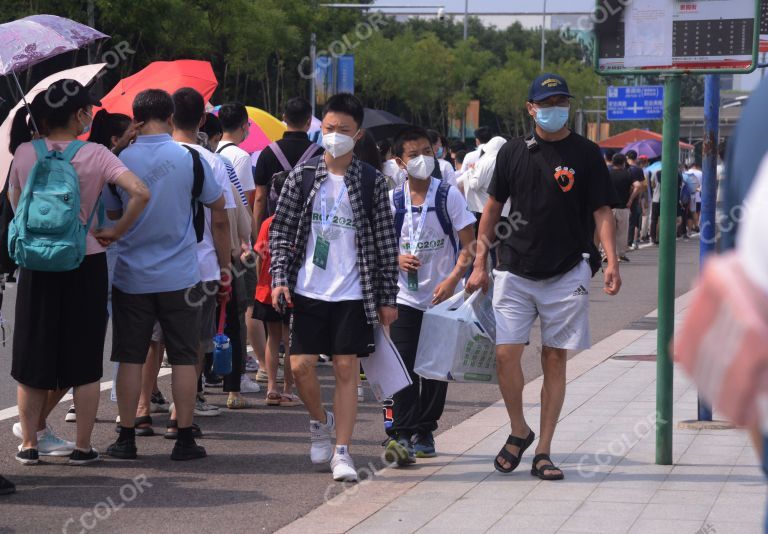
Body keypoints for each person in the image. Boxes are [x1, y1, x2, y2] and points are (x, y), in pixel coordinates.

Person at [466, 73, 621, 481]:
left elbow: (602, 211)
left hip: (566, 270)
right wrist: (479, 262)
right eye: (546, 101)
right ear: (531, 107)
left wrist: (611, 259)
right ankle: (519, 429)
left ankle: (544, 452)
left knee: (554, 358)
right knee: (506, 354)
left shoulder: (587, 154)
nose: (555, 108)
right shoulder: (514, 152)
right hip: (514, 269)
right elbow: (492, 209)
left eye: (561, 100)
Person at [9, 80, 149, 465]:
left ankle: (29, 446)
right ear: (77, 115)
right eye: (88, 108)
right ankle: (84, 447)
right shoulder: (97, 154)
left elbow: (18, 208)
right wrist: (116, 231)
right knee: (85, 359)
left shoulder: (23, 152)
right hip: (84, 260)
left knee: (32, 358)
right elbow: (140, 192)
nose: (92, 113)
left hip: (36, 263)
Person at [270, 93, 398, 482]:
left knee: (346, 368)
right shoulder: (303, 175)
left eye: (343, 130)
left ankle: (342, 451)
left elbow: (385, 240)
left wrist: (387, 297)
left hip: (354, 292)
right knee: (300, 366)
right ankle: (318, 420)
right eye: (328, 129)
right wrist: (278, 278)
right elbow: (282, 230)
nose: (335, 136)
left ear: (358, 135)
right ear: (319, 129)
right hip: (309, 288)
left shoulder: (372, 181)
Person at [105, 88, 225, 462]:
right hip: (181, 276)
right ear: (171, 117)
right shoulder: (190, 158)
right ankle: (184, 439)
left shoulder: (121, 160)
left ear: (137, 117)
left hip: (131, 277)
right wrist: (223, 267)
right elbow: (217, 209)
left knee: (131, 356)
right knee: (186, 357)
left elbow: (112, 214)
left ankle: (127, 437)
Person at [382, 127, 476, 465]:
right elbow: (377, 246)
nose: (423, 159)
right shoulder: (392, 200)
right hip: (403, 298)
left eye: (427, 151)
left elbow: (470, 246)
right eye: (413, 154)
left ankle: (426, 429)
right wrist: (396, 258)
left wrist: (453, 280)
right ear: (399, 162)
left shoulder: (448, 195)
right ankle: (401, 433)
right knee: (401, 366)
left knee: (435, 370)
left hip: (442, 297)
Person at [253, 97, 323, 381]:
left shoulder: (268, 154)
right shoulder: (320, 153)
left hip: (273, 234)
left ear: (283, 118)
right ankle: (292, 385)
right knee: (298, 324)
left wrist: (256, 234)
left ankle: (272, 384)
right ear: (309, 122)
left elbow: (259, 196)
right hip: (308, 238)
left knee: (273, 325)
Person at [253, 172, 299, 407]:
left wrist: (261, 280)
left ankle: (271, 387)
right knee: (290, 340)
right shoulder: (300, 220)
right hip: (294, 288)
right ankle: (288, 389)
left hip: (267, 288)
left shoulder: (268, 223)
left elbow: (259, 257)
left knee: (273, 338)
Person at [608, 153, 643, 262]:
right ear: (624, 162)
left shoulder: (607, 173)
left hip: (608, 207)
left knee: (608, 231)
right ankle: (620, 254)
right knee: (622, 232)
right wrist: (631, 200)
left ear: (613, 162)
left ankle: (606, 254)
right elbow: (638, 186)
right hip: (623, 206)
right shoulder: (628, 174)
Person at [624, 150, 646, 250]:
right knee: (633, 221)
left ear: (627, 157)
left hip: (623, 196)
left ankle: (622, 243)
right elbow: (641, 187)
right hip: (635, 197)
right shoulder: (639, 170)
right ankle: (629, 242)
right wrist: (638, 198)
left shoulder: (624, 168)